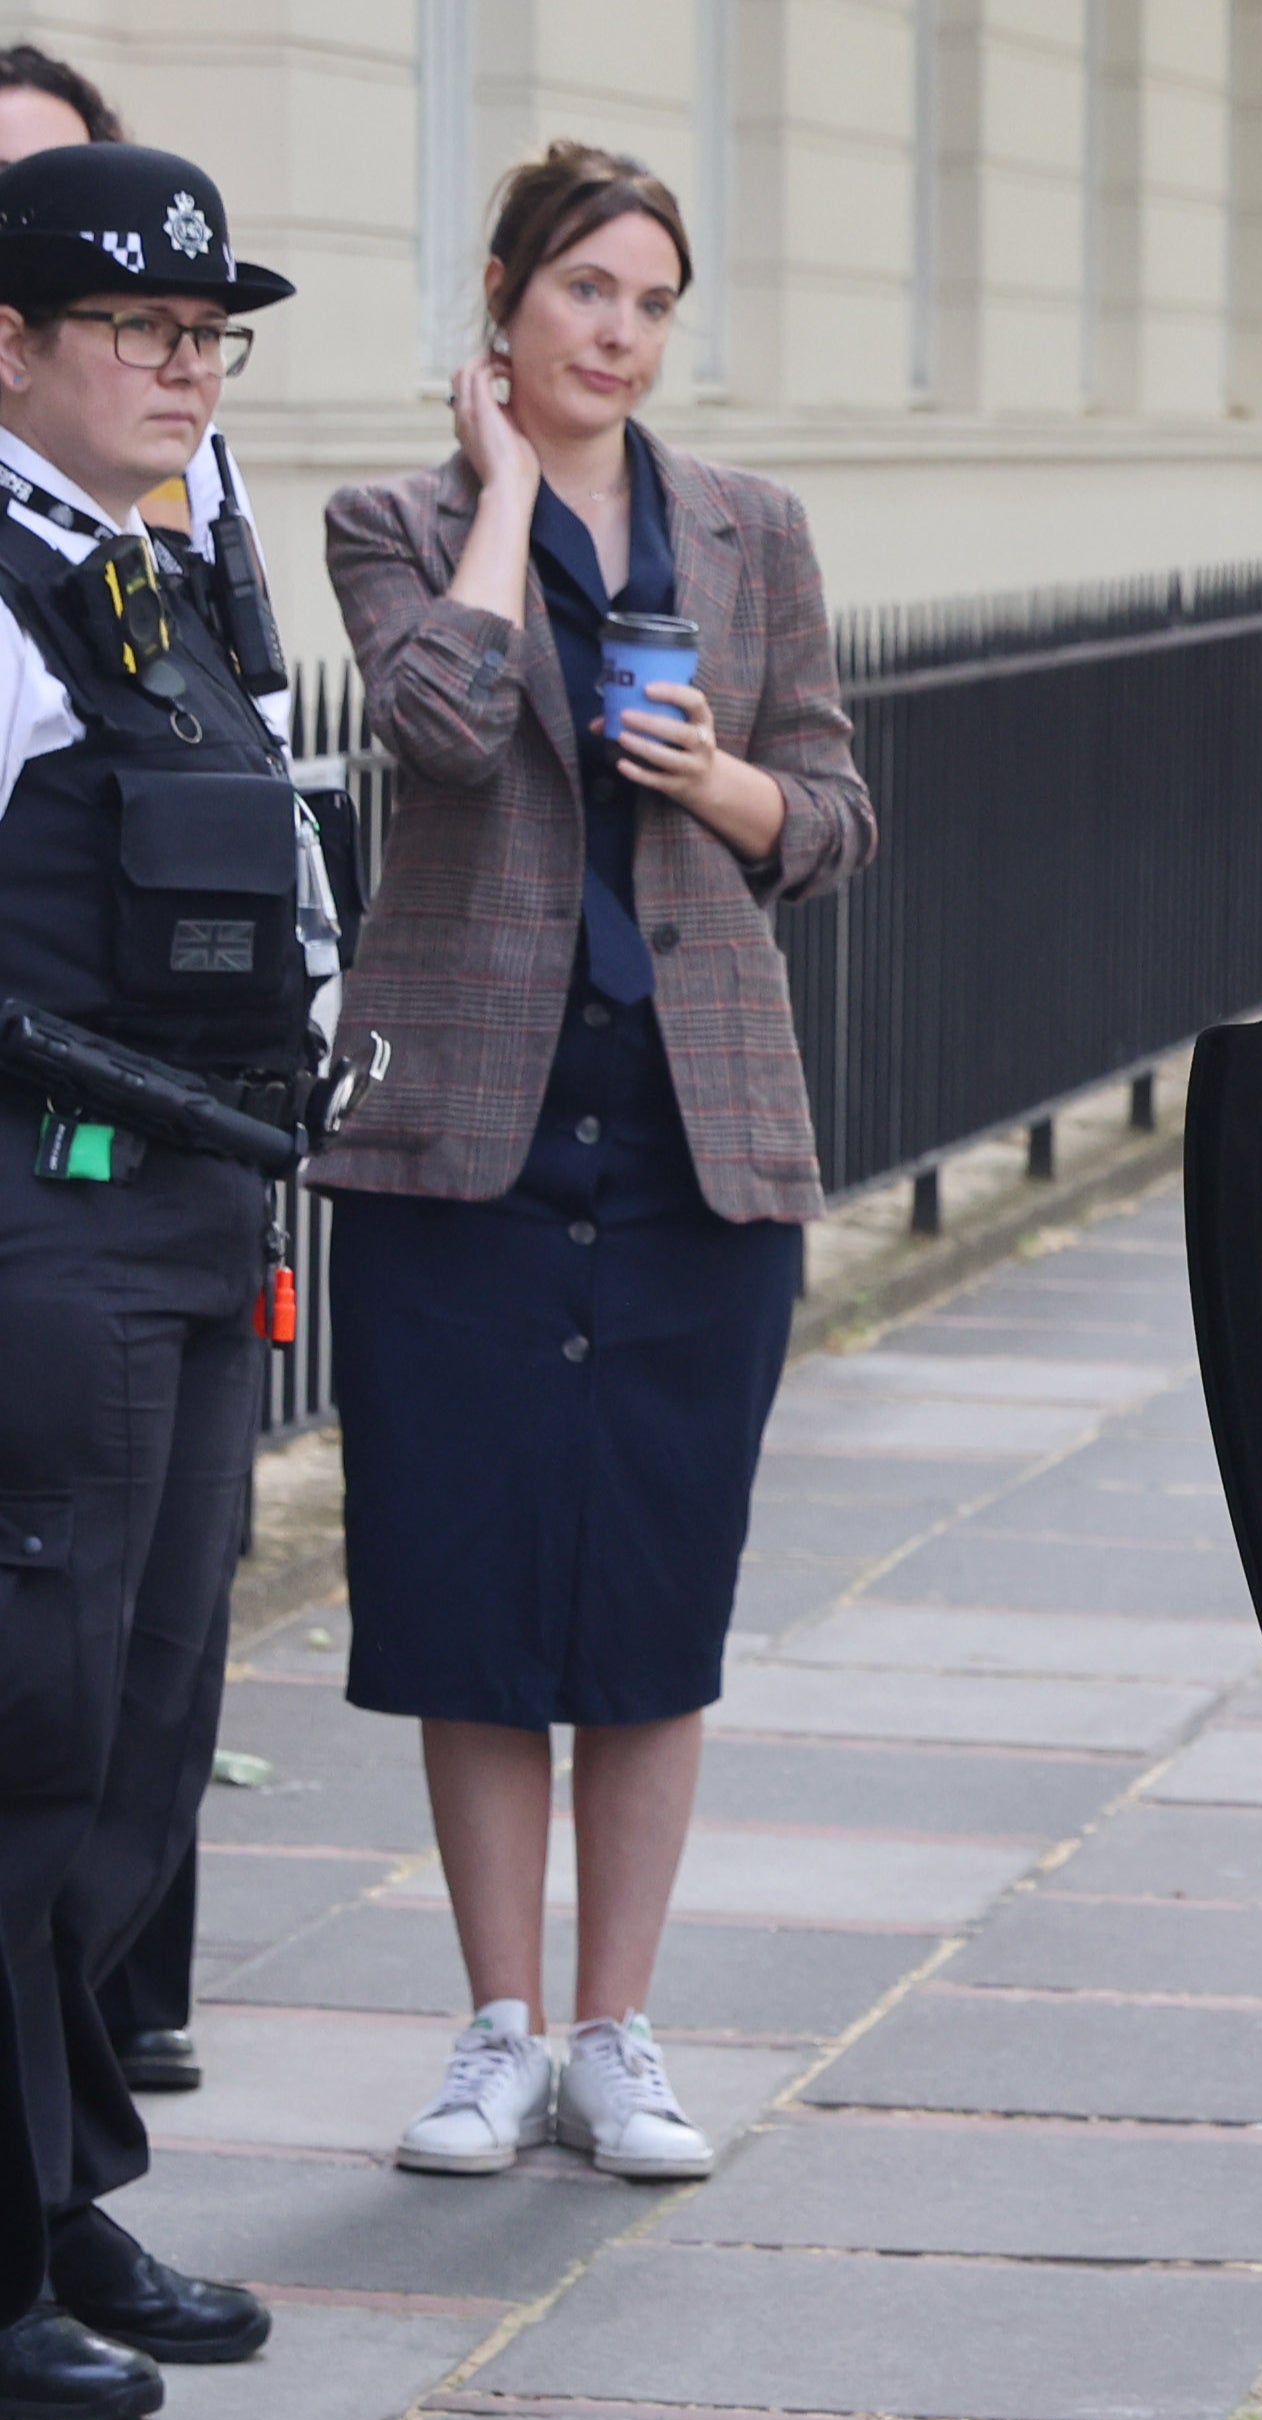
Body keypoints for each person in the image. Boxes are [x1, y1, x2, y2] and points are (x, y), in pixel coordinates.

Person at [315, 143, 872, 2185]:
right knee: (467, 1591)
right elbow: (440, 733)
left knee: (648, 1596)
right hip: (460, 1122)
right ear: (503, 301)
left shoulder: (749, 532)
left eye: (649, 298)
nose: (618, 331)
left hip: (691, 1131)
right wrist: (499, 517)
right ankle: (494, 2031)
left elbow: (830, 813)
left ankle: (620, 2031)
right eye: (582, 292)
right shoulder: (391, 519)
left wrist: (715, 776)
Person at [0, 139, 317, 2420]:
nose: (184, 365)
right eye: (136, 330)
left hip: (197, 1218)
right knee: (28, 1735)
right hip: (56, 1219)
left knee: (142, 1741)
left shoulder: (154, 568)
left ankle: (58, 2183)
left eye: (205, 335)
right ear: (10, 348)